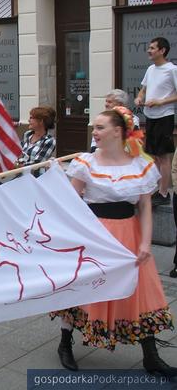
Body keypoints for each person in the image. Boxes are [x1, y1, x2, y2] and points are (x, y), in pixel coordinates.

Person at [52, 107, 175, 377]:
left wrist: (145, 243)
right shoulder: (86, 163)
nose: (94, 132)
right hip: (95, 235)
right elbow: (71, 203)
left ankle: (150, 356)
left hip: (129, 235)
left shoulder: (141, 166)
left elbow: (144, 207)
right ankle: (65, 343)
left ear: (118, 132)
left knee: (140, 290)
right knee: (81, 287)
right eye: (94, 127)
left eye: (100, 127)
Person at [134, 37, 177, 206]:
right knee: (154, 156)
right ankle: (158, 188)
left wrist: (161, 102)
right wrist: (139, 97)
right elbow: (143, 89)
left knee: (164, 156)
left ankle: (164, 193)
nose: (148, 50)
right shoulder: (151, 69)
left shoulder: (172, 69)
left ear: (162, 50)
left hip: (164, 117)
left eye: (152, 48)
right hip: (150, 116)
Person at [18, 106, 57, 176]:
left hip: (35, 179)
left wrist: (17, 165)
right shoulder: (27, 135)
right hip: (19, 176)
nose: (28, 120)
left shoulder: (49, 141)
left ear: (41, 121)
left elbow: (37, 164)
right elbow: (18, 153)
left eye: (31, 118)